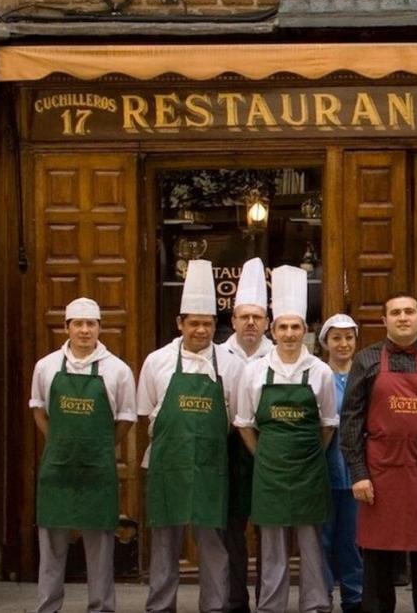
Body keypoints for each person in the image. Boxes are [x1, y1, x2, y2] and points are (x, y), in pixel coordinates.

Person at [340, 293, 417, 613]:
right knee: (377, 556)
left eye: (410, 312)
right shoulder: (365, 360)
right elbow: (350, 420)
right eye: (395, 312)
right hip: (379, 471)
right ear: (385, 321)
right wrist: (358, 474)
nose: (403, 317)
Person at [138, 260, 245, 613]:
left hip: (211, 466)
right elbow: (146, 413)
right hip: (168, 465)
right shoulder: (156, 362)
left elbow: (234, 416)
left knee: (213, 544)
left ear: (216, 325)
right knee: (165, 543)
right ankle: (160, 606)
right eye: (194, 323)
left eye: (208, 323)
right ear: (179, 323)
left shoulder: (230, 364)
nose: (201, 330)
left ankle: (214, 606)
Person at [235, 265, 338, 613]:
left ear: (305, 330)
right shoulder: (254, 371)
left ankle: (316, 604)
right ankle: (271, 606)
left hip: (309, 470)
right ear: (273, 330)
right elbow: (244, 423)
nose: (290, 334)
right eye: (283, 327)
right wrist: (262, 454)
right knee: (272, 544)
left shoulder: (319, 371)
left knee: (311, 542)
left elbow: (327, 423)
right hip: (270, 471)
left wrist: (310, 454)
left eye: (296, 327)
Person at [31, 297, 137, 613]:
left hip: (97, 470)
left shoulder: (117, 370)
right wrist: (58, 441)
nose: (85, 330)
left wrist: (103, 445)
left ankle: (101, 607)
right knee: (51, 546)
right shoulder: (46, 366)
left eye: (91, 324)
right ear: (67, 327)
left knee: (100, 547)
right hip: (57, 469)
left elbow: (127, 418)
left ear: (99, 328)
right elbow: (38, 409)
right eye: (78, 324)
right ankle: (48, 606)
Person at [220, 257, 272, 613]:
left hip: (269, 451)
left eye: (257, 317)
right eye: (244, 316)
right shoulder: (217, 355)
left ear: (267, 322)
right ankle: (235, 601)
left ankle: (267, 600)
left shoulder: (283, 354)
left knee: (268, 532)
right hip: (226, 452)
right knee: (230, 533)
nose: (251, 323)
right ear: (233, 320)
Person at [320, 314, 364, 613]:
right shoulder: (316, 375)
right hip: (323, 471)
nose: (343, 343)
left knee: (352, 540)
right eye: (336, 337)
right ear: (325, 343)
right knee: (321, 540)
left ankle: (355, 597)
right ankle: (321, 596)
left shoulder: (365, 376)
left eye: (348, 337)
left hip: (357, 474)